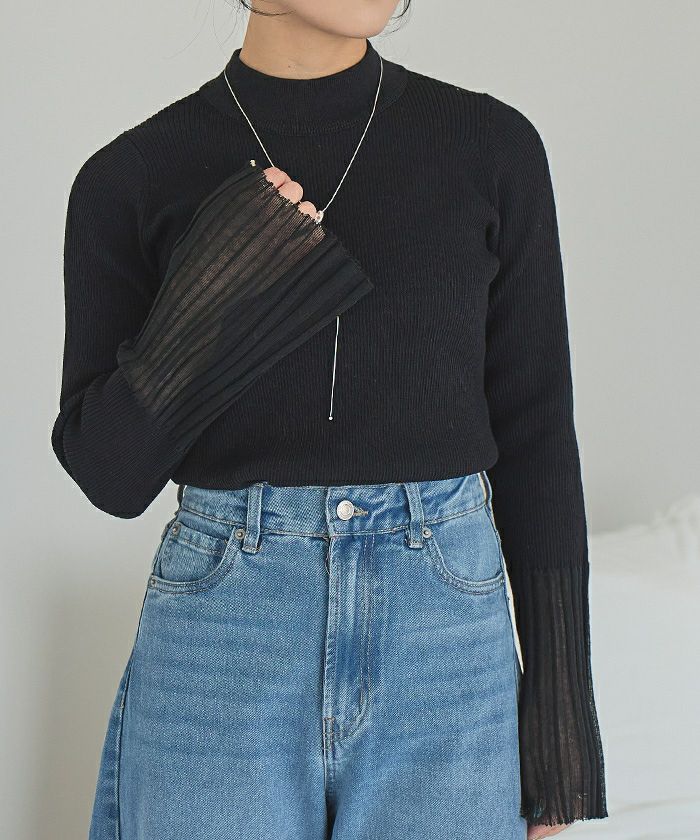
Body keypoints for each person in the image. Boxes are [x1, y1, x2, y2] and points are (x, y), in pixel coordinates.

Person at [51, 2, 608, 839]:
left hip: (446, 642)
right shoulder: (131, 175)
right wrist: (218, 293)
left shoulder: (490, 148)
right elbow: (108, 471)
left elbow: (537, 439)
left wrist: (560, 730)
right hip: (223, 639)